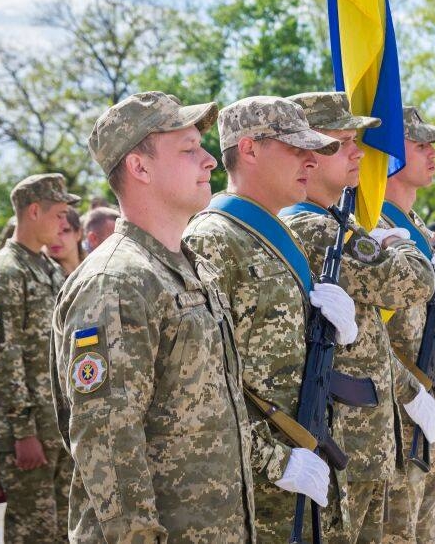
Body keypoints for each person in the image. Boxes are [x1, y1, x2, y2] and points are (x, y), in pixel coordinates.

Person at [52, 91, 255, 541]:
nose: (209, 161)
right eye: (188, 149)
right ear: (139, 168)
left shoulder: (188, 269)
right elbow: (107, 442)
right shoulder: (117, 283)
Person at [183, 96, 358, 541]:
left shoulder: (272, 233)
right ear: (250, 149)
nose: (310, 160)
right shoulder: (215, 240)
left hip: (303, 463)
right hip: (262, 487)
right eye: (295, 149)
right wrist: (274, 462)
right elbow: (206, 387)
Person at [282, 94, 435, 543]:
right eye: (342, 142)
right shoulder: (313, 227)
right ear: (308, 153)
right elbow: (410, 282)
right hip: (346, 441)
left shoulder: (335, 223)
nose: (359, 153)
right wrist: (402, 243)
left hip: (369, 434)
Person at [370, 103, 435, 544]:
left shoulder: (414, 225)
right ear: (392, 156)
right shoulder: (373, 225)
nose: (432, 154)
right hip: (399, 409)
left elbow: (421, 314)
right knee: (399, 529)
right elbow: (366, 332)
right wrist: (407, 389)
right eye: (420, 145)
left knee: (424, 528)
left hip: (431, 397)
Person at [0, 173, 78, 543]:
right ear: (34, 211)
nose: (63, 222)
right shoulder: (4, 274)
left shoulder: (47, 269)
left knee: (61, 531)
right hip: (30, 434)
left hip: (57, 426)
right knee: (33, 533)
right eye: (58, 213)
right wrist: (23, 431)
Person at [46, 206, 85, 276]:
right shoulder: (44, 276)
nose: (54, 237)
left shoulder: (93, 268)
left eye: (64, 230)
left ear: (78, 233)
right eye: (50, 230)